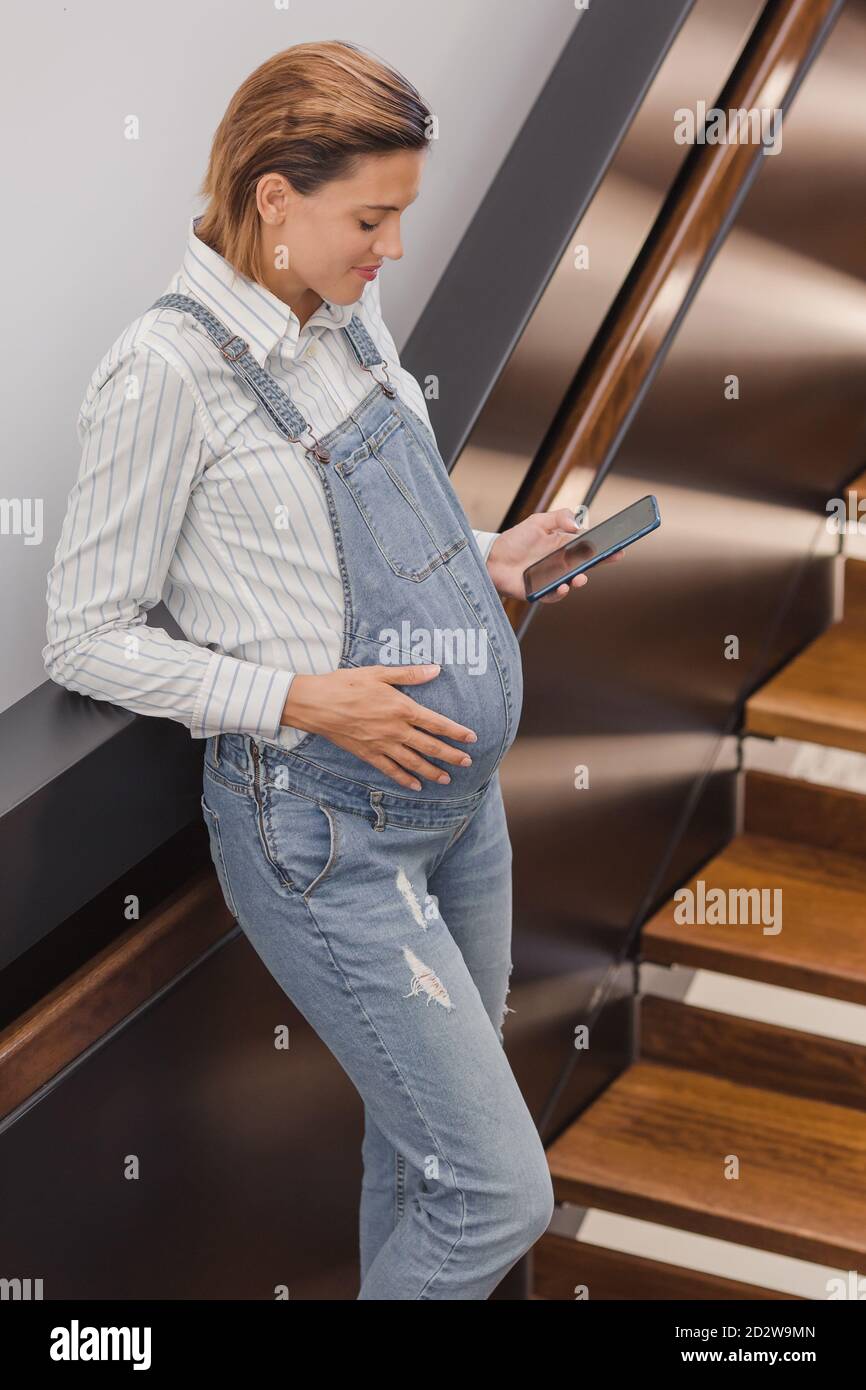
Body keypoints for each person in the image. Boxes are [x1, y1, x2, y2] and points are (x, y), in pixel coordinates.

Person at [43, 39, 619, 1299]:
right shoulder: (163, 374)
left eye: (397, 217)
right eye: (372, 218)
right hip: (322, 835)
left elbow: (338, 542)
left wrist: (489, 560)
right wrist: (298, 699)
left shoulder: (345, 314)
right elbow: (84, 634)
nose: (389, 250)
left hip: (459, 811)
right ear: (272, 198)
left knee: (426, 1161)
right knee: (494, 1193)